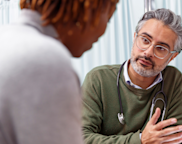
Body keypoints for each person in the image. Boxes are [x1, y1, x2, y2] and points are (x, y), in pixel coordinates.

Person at [0, 0, 118, 144]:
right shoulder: (45, 59)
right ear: (89, 7)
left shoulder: (6, 37)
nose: (104, 28)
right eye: (109, 17)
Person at [81, 8, 182, 144]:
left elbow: (180, 137)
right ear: (134, 37)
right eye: (145, 40)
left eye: (161, 48)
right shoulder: (98, 79)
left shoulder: (173, 80)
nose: (148, 52)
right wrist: (140, 140)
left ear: (172, 56)